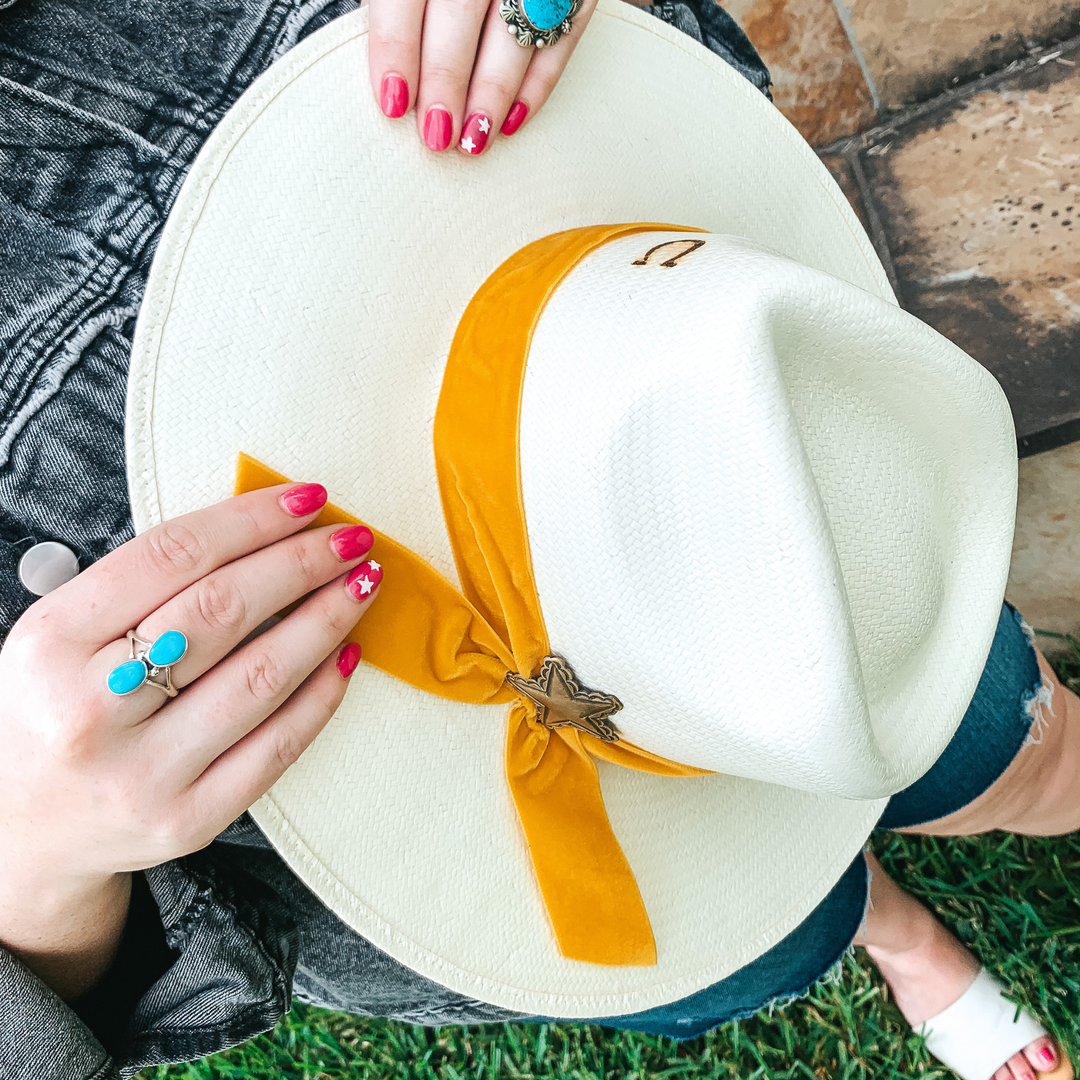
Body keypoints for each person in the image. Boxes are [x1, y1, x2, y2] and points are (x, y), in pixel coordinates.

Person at [0, 5, 1072, 1080]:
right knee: (759, 929)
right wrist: (33, 870)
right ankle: (889, 931)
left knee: (993, 735)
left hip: (798, 510)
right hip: (399, 838)